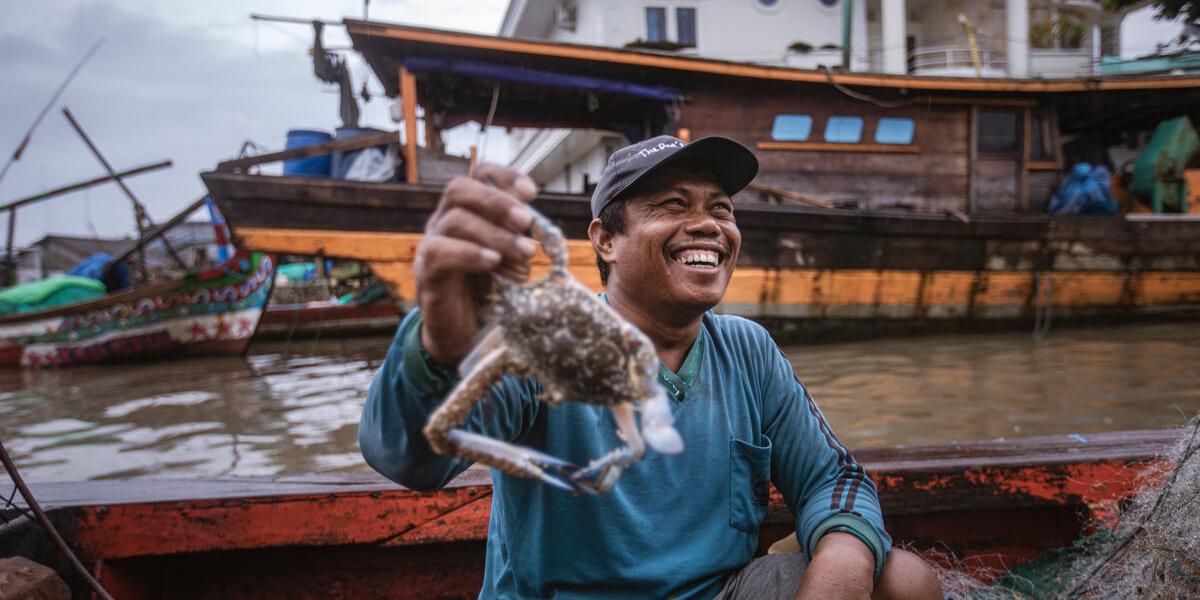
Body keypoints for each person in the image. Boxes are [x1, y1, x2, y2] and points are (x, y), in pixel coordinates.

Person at [359, 135, 942, 599]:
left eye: (722, 209)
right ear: (606, 240)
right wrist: (438, 348)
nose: (710, 225)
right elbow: (410, 459)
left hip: (718, 592)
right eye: (673, 205)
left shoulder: (748, 348)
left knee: (903, 581)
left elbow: (830, 478)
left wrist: (841, 563)